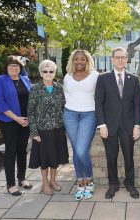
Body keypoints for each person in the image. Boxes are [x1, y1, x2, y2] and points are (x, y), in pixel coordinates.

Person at [95, 47, 140, 199]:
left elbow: (136, 105)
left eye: (123, 57)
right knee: (111, 156)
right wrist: (101, 125)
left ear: (127, 59)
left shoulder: (134, 79)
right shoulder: (103, 78)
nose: (120, 60)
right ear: (112, 59)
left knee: (129, 156)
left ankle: (130, 183)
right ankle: (113, 184)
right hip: (109, 126)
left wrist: (137, 126)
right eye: (117, 57)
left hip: (128, 126)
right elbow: (99, 103)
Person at [28, 60, 69, 195]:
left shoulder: (59, 87)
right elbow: (31, 112)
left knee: (55, 156)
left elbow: (63, 107)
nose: (48, 73)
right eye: (45, 71)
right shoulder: (35, 88)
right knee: (45, 158)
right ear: (41, 73)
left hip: (58, 128)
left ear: (54, 72)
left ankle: (53, 180)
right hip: (42, 129)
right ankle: (45, 183)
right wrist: (34, 132)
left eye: (51, 71)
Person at [0, 55, 33, 196]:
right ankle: (10, 184)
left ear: (20, 68)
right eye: (11, 66)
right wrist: (17, 118)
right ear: (6, 68)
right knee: (11, 151)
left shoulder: (25, 79)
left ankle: (21, 179)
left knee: (22, 150)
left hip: (25, 121)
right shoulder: (0, 80)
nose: (14, 68)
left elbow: (31, 99)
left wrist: (28, 118)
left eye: (17, 66)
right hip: (9, 121)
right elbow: (0, 103)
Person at [63, 50, 99, 200]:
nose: (79, 62)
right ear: (72, 60)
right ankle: (80, 182)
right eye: (76, 59)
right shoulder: (67, 76)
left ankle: (89, 179)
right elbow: (66, 95)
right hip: (70, 114)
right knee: (76, 151)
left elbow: (102, 94)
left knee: (80, 150)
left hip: (89, 115)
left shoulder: (95, 76)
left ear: (87, 60)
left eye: (82, 59)